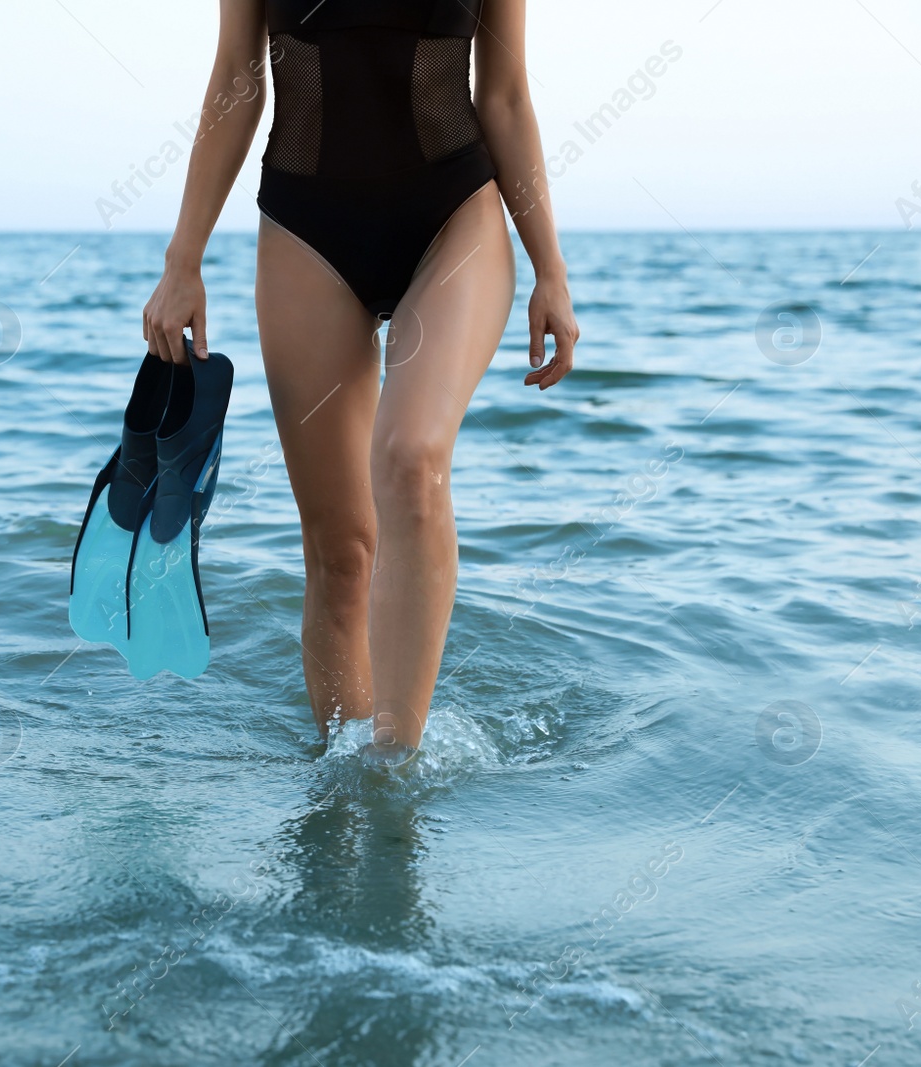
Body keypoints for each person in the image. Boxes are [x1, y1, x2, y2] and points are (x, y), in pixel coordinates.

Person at [141, 0, 579, 760]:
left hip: (453, 216)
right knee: (341, 552)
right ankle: (341, 779)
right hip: (306, 227)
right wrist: (184, 258)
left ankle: (391, 773)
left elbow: (503, 93)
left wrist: (551, 268)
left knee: (410, 459)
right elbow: (237, 78)